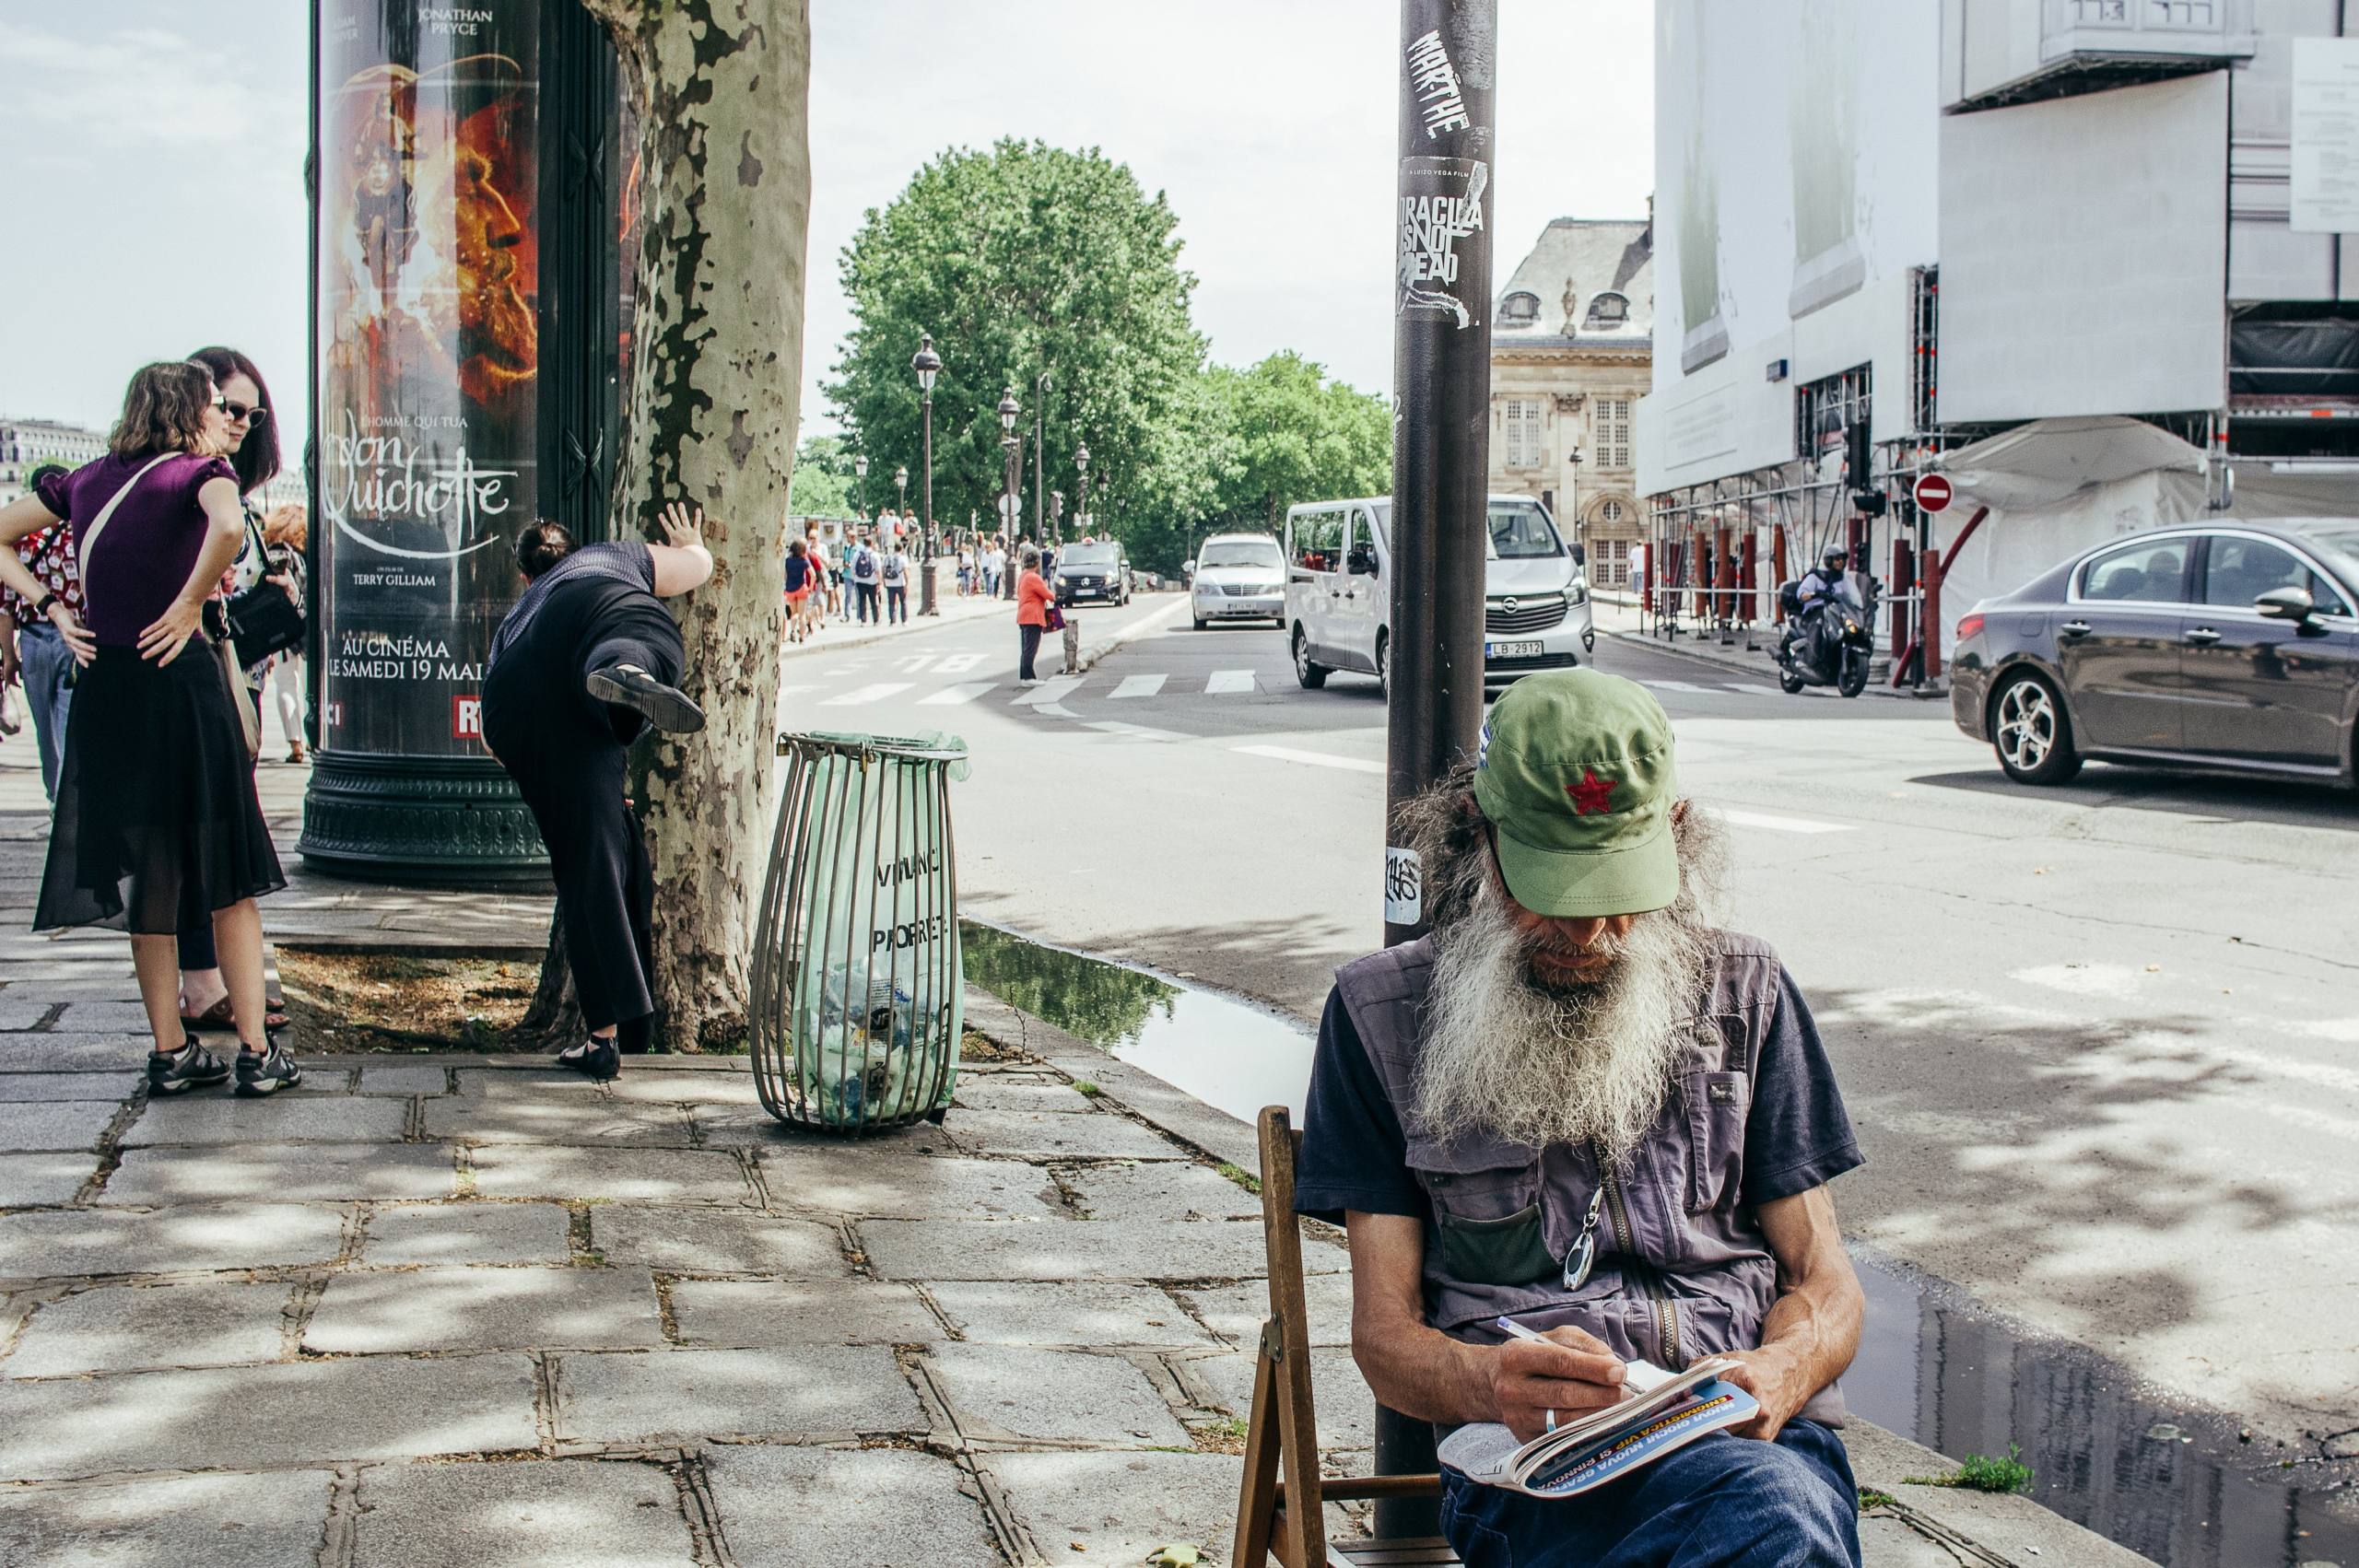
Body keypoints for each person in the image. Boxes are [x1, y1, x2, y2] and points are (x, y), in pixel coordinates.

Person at [1296, 669, 1867, 1568]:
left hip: (1758, 1440)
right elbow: (1385, 1339)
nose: (1591, 932)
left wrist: (1782, 1369)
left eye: (1619, 892)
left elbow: (1825, 1280)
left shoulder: (1747, 992)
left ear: (1674, 834)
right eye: (1550, 893)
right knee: (1769, 1530)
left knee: (1765, 1508)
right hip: (1538, 1468)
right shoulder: (1381, 1016)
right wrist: (1487, 1380)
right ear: (1480, 837)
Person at [0, 361, 295, 1096]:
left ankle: (171, 1051)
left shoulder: (84, 480)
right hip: (182, 682)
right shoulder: (201, 472)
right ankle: (257, 1055)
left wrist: (53, 608)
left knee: (151, 876)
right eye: (215, 405)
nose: (224, 420)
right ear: (189, 410)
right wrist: (193, 601)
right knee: (230, 872)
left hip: (111, 686)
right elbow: (229, 525)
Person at [481, 504, 713, 1081]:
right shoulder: (606, 558)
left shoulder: (516, 616)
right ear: (575, 547)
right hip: (597, 614)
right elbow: (693, 568)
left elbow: (495, 735)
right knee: (641, 629)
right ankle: (625, 675)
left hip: (515, 691)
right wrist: (694, 546)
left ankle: (604, 1036)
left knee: (587, 862)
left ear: (523, 574)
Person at [177, 345, 295, 1038]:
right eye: (232, 408)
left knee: (217, 841)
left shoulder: (231, 491)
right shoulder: (194, 489)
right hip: (206, 689)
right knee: (206, 842)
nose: (243, 423)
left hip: (236, 683)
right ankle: (204, 984)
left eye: (253, 414)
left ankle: (217, 980)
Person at [0, 462, 82, 802]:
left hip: (33, 639)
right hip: (75, 638)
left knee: (44, 730)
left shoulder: (17, 540)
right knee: (67, 726)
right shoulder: (80, 533)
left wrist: (8, 657)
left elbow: (5, 607)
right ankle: (65, 803)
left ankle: (54, 797)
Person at [260, 505, 311, 762]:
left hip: (282, 623)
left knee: (285, 682)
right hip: (307, 621)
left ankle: (295, 743)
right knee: (309, 682)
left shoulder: (274, 551)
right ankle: (314, 736)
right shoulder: (307, 551)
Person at [1014, 544, 1053, 683]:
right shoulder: (1033, 577)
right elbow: (1048, 594)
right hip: (1033, 616)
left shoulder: (1023, 575)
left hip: (1023, 615)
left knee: (1025, 648)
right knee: (1031, 648)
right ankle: (1028, 677)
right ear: (1037, 562)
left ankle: (1025, 676)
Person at [783, 537, 816, 643]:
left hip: (790, 589)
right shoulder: (803, 561)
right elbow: (813, 575)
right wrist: (810, 588)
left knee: (794, 613)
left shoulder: (787, 561)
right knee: (802, 614)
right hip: (802, 588)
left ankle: (792, 630)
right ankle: (801, 637)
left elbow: (784, 575)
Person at [847, 528, 881, 625]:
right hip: (872, 581)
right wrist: (880, 581)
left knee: (862, 601)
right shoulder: (875, 555)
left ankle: (863, 620)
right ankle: (876, 620)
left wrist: (855, 578)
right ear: (872, 543)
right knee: (873, 601)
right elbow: (878, 570)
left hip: (860, 581)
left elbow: (852, 567)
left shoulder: (858, 553)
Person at [881, 536, 910, 624]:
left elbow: (883, 570)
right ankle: (904, 620)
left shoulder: (887, 558)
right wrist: (907, 583)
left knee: (891, 603)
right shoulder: (903, 558)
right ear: (901, 549)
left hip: (889, 583)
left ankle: (892, 621)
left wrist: (884, 581)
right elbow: (905, 572)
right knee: (903, 602)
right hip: (900, 583)